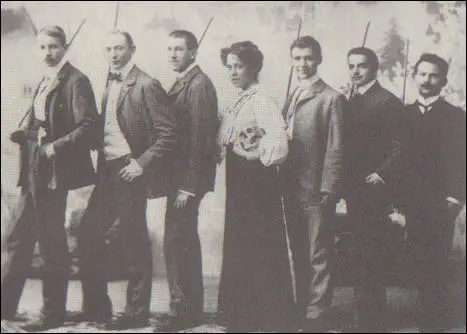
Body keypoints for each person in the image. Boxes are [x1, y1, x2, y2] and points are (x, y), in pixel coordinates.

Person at [76, 30, 179, 330]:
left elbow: (168, 134)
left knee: (133, 241)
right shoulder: (109, 79)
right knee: (87, 234)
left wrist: (140, 164)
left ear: (132, 49)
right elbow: (112, 125)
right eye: (108, 48)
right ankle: (96, 308)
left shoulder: (147, 85)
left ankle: (136, 313)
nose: (113, 53)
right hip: (107, 170)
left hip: (128, 171)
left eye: (119, 48)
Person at [1, 25, 99, 331]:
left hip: (53, 174)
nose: (48, 53)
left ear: (65, 47)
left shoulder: (77, 80)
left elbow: (88, 127)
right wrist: (25, 134)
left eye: (54, 47)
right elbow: (41, 123)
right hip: (32, 171)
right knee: (18, 238)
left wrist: (54, 148)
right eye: (43, 47)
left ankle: (52, 313)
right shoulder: (44, 79)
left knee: (51, 243)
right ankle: (4, 308)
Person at [217, 41, 294, 332]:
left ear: (253, 68)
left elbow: (278, 143)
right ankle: (243, 314)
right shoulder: (239, 98)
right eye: (230, 67)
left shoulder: (261, 99)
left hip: (256, 181)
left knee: (259, 242)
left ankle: (268, 316)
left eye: (239, 66)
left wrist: (253, 155)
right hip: (238, 179)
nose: (233, 72)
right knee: (241, 241)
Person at [280, 36, 345, 332]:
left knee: (319, 252)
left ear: (318, 60)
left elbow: (336, 147)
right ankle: (302, 304)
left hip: (316, 189)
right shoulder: (292, 93)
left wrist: (329, 188)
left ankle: (318, 313)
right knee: (298, 249)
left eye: (307, 58)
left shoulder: (331, 97)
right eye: (297, 58)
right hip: (291, 186)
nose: (302, 64)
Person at [401, 53, 466, 333]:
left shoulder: (456, 116)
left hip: (441, 203)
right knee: (416, 261)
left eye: (434, 75)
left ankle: (435, 324)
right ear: (414, 76)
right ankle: (420, 318)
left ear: (444, 81)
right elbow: (396, 160)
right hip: (410, 202)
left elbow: (461, 160)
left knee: (437, 261)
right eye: (423, 74)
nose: (427, 80)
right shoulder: (402, 115)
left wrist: (455, 199)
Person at [160, 30, 219, 331]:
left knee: (178, 240)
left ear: (193, 53)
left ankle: (182, 312)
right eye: (169, 49)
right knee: (180, 240)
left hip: (187, 180)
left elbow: (201, 139)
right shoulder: (185, 81)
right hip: (180, 177)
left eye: (179, 49)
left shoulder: (198, 85)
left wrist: (188, 185)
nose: (173, 54)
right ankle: (188, 309)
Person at [344, 47, 404, 332]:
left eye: (362, 66)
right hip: (352, 186)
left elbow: (400, 145)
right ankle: (363, 313)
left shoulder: (387, 101)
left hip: (374, 188)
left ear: (375, 68)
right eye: (352, 66)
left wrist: (382, 172)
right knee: (357, 250)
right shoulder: (349, 98)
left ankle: (370, 318)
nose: (356, 71)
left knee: (371, 251)